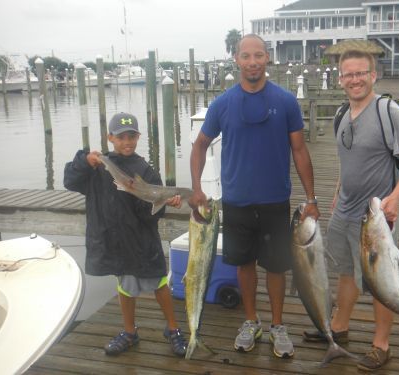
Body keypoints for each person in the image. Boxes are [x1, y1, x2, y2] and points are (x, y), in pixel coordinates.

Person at [188, 34, 320, 359]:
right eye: (246, 56)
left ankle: (277, 325)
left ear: (267, 58)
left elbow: (300, 150)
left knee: (276, 267)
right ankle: (251, 321)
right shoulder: (222, 104)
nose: (252, 62)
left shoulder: (286, 101)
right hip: (236, 202)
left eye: (258, 55)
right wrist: (196, 188)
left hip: (275, 200)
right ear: (236, 60)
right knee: (244, 264)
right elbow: (200, 145)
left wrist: (312, 198)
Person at [302, 50, 399, 371]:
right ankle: (339, 328)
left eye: (361, 73)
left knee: (379, 280)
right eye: (348, 74)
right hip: (344, 210)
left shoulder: (390, 112)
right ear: (340, 79)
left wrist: (395, 197)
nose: (354, 79)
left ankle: (382, 345)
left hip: (377, 216)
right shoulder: (343, 113)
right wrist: (339, 189)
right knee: (345, 270)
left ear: (373, 75)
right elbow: (349, 158)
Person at [63, 112, 188, 357]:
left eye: (131, 136)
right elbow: (70, 180)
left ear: (138, 137)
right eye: (121, 137)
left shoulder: (145, 170)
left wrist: (163, 201)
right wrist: (85, 161)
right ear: (110, 138)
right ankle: (130, 332)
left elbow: (150, 214)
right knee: (125, 286)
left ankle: (172, 329)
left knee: (160, 283)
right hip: (115, 240)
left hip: (142, 240)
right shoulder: (98, 167)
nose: (127, 141)